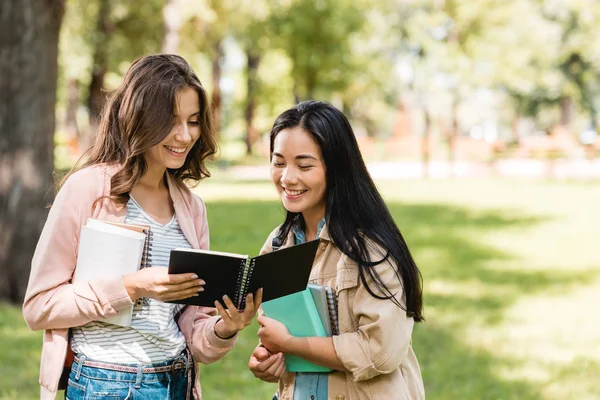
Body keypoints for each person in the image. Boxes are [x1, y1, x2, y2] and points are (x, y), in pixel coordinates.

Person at [22, 54, 261, 400]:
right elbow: (39, 306)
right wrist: (131, 287)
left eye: (193, 122)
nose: (184, 135)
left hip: (178, 380)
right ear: (140, 118)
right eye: (171, 121)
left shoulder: (192, 209)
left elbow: (198, 339)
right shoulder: (88, 190)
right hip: (106, 384)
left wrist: (226, 327)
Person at [248, 101, 425, 399]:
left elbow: (381, 351)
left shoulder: (370, 248)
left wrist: (290, 343)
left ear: (337, 169)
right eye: (279, 162)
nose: (287, 178)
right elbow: (278, 334)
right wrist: (269, 360)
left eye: (304, 165)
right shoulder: (278, 244)